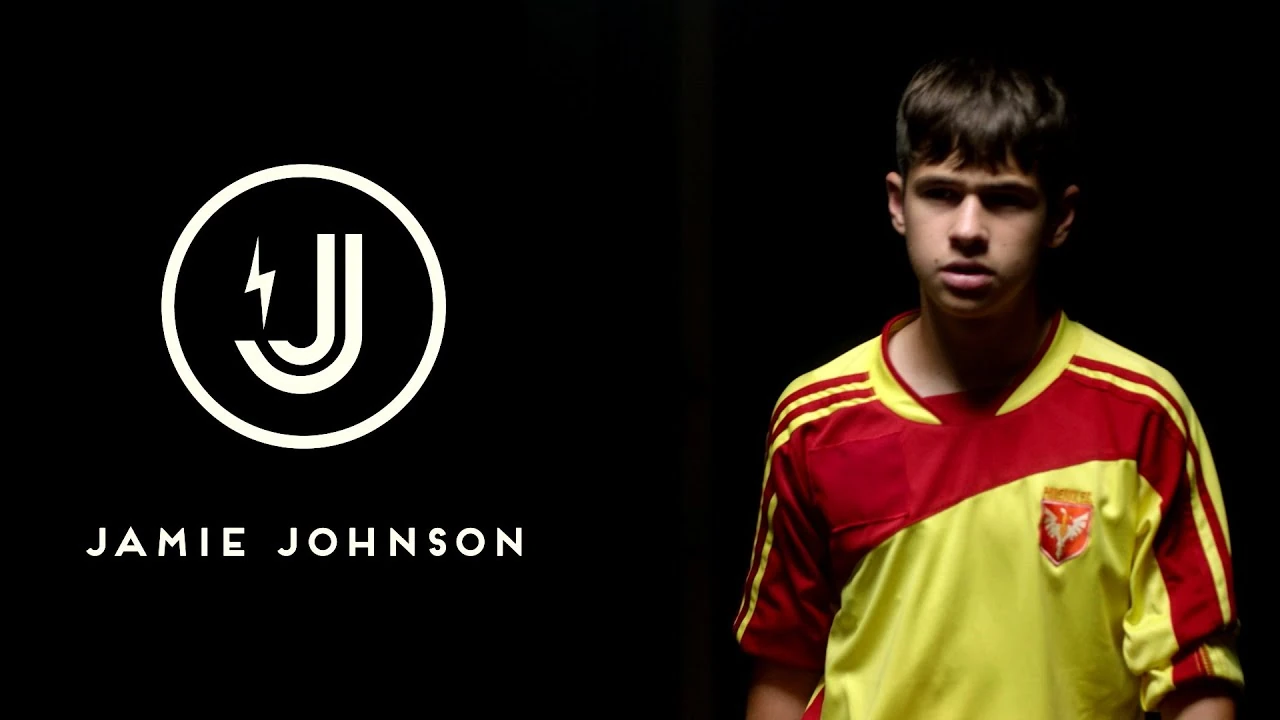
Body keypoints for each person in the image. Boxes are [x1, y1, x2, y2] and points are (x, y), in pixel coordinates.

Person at [731, 55, 1244, 719]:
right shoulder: (815, 419)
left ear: (1060, 217)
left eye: (1005, 200)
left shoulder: (1143, 413)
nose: (968, 230)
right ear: (898, 203)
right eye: (941, 193)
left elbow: (1194, 678)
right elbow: (785, 666)